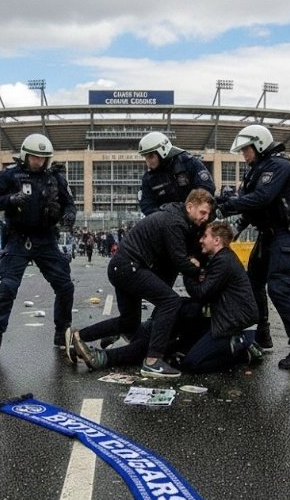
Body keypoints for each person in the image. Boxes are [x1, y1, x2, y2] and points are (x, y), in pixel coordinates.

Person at [73, 221, 262, 374]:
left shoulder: (225, 261)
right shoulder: (216, 259)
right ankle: (107, 357)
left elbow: (201, 292)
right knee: (165, 334)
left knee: (191, 364)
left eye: (205, 236)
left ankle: (242, 347)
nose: (201, 240)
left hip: (230, 326)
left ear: (217, 240)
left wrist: (189, 270)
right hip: (213, 319)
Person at [68, 188, 216, 379]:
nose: (205, 217)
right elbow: (179, 260)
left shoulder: (174, 216)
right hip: (129, 267)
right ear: (189, 207)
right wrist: (200, 271)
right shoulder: (176, 222)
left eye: (208, 214)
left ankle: (79, 337)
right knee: (170, 301)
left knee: (129, 321)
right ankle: (153, 361)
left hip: (121, 267)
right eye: (202, 212)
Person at [217, 123, 290, 370]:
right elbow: (252, 208)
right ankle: (263, 333)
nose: (244, 154)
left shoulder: (279, 165)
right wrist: (234, 231)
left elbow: (263, 198)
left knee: (279, 287)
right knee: (253, 282)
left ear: (259, 145)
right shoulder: (255, 170)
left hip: (287, 233)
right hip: (269, 234)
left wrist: (228, 206)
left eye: (247, 149)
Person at [0, 133, 76, 362]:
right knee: (7, 287)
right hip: (18, 238)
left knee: (65, 286)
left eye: (43, 158)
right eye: (34, 157)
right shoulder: (10, 175)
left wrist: (68, 217)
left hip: (46, 238)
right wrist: (11, 199)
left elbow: (70, 205)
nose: (39, 162)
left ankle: (61, 333)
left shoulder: (56, 178)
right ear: (25, 156)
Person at [138, 131, 216, 215]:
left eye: (151, 157)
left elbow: (206, 188)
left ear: (162, 151)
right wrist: (166, 216)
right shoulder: (148, 178)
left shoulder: (188, 163)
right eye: (145, 158)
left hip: (195, 217)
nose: (148, 162)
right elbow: (147, 206)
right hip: (167, 221)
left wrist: (188, 209)